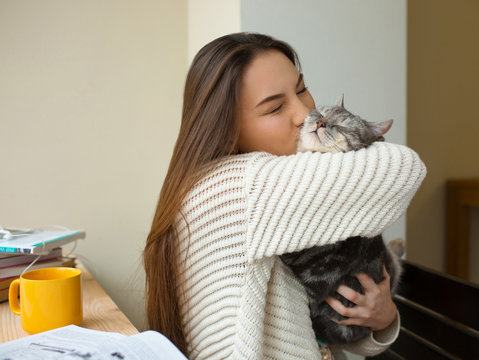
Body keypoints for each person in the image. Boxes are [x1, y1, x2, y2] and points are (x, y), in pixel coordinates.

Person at [144, 32, 426, 359]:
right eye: (276, 107)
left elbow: (325, 334)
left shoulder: (236, 186)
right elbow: (405, 167)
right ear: (226, 128)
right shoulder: (245, 186)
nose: (305, 114)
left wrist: (384, 318)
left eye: (301, 89)